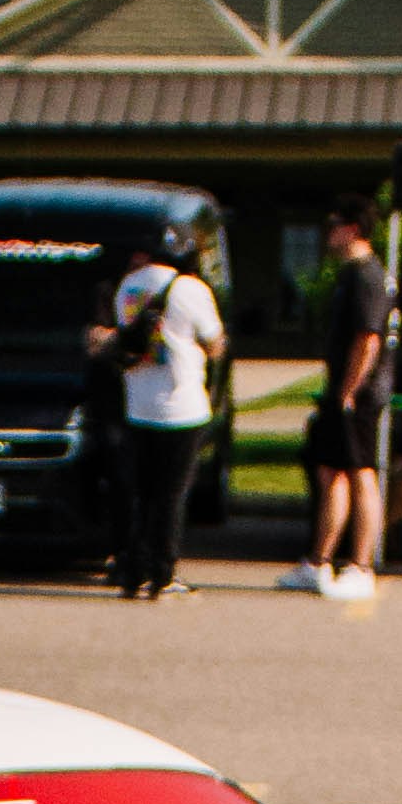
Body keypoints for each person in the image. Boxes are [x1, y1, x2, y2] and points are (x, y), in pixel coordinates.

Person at [106, 227, 227, 605]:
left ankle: (132, 568)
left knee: (140, 491)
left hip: (138, 404)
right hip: (182, 406)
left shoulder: (127, 287)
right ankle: (163, 571)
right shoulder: (191, 290)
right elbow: (215, 342)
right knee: (171, 494)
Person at [280, 202, 393, 601]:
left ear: (352, 228)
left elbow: (369, 338)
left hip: (358, 393)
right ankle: (318, 562)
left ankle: (362, 566)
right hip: (339, 391)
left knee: (361, 473)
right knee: (330, 473)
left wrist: (348, 389)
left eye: (333, 226)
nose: (328, 235)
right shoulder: (349, 274)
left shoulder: (367, 276)